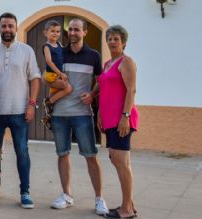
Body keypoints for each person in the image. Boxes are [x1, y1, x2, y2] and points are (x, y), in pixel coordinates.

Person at [46, 18, 109, 215]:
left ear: (85, 32)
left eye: (76, 29)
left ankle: (99, 198)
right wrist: (57, 91)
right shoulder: (58, 53)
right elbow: (47, 78)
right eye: (70, 29)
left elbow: (101, 81)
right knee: (62, 154)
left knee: (91, 156)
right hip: (60, 114)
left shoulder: (93, 56)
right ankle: (66, 195)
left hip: (82, 114)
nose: (72, 33)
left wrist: (92, 94)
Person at [0, 12, 41, 209]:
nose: (7, 30)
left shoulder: (27, 51)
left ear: (16, 28)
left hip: (19, 111)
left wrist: (31, 104)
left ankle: (25, 192)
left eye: (10, 26)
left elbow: (35, 79)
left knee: (22, 152)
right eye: (3, 26)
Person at [97, 25, 139, 219]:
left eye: (116, 39)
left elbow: (131, 90)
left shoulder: (126, 62)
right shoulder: (107, 64)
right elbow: (103, 90)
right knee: (117, 159)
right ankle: (128, 203)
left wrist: (126, 116)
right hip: (109, 118)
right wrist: (99, 115)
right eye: (110, 38)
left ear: (123, 42)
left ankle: (127, 209)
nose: (112, 42)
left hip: (122, 118)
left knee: (121, 162)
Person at [42, 20, 72, 121]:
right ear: (45, 33)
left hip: (57, 76)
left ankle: (48, 116)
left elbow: (65, 53)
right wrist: (60, 73)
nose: (55, 33)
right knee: (67, 87)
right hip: (51, 75)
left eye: (58, 31)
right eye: (52, 31)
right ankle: (48, 101)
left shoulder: (59, 44)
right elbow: (49, 62)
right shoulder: (47, 46)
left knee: (54, 95)